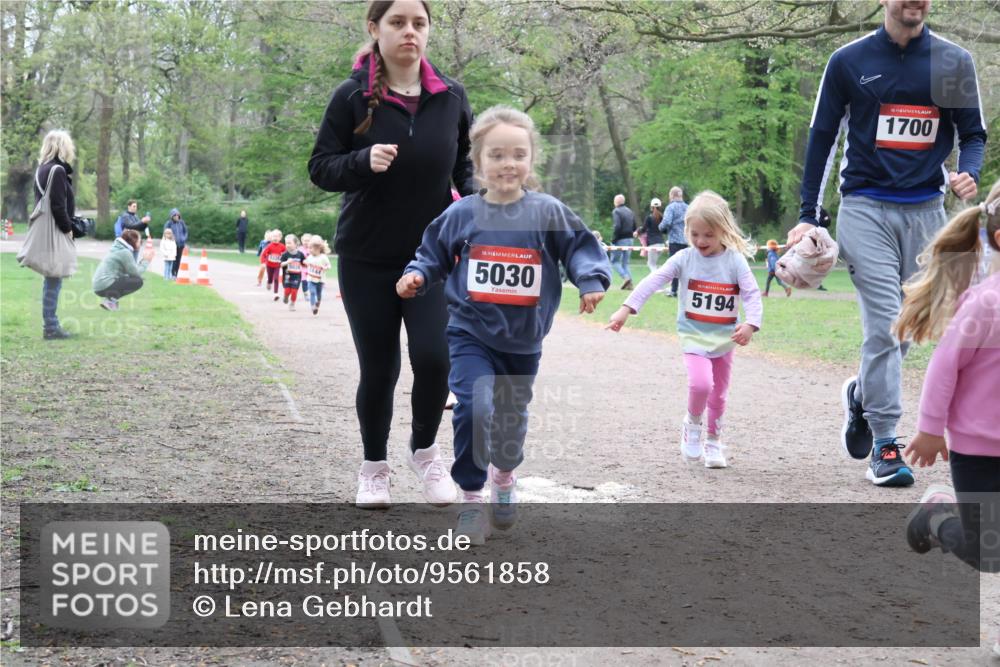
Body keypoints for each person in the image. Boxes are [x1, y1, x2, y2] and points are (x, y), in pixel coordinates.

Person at [790, 0, 987, 487]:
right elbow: (822, 136)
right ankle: (885, 441)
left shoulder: (950, 62)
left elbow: (973, 134)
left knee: (910, 327)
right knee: (884, 323)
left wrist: (970, 173)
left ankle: (861, 395)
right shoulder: (850, 61)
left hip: (926, 212)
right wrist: (807, 215)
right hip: (864, 206)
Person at [397, 105, 611, 543]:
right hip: (470, 331)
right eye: (496, 155)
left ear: (531, 159)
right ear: (478, 162)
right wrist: (418, 274)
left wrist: (589, 279)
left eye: (518, 154)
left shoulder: (548, 212)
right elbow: (433, 251)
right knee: (474, 409)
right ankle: (473, 497)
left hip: (524, 340)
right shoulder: (463, 214)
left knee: (510, 421)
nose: (508, 163)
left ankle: (505, 478)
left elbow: (580, 247)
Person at [308, 0, 476, 508]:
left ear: (428, 32)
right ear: (374, 29)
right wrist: (362, 160)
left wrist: (474, 206)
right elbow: (320, 167)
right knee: (379, 369)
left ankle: (424, 452)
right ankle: (373, 469)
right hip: (367, 256)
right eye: (398, 22)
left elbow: (464, 163)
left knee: (434, 358)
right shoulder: (351, 97)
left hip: (432, 258)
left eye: (419, 23)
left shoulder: (451, 97)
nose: (409, 31)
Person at [899, 184, 999, 655]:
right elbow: (944, 366)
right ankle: (936, 518)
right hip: (979, 450)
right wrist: (929, 428)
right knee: (990, 551)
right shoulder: (986, 304)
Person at [608, 191, 762, 469]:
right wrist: (626, 308)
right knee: (701, 384)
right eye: (695, 234)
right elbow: (654, 280)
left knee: (719, 395)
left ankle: (714, 442)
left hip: (724, 340)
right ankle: (692, 424)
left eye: (708, 235)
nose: (701, 241)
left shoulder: (735, 261)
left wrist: (751, 323)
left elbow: (751, 294)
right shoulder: (684, 258)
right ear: (686, 231)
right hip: (693, 336)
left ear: (723, 231)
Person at [31, 130, 78, 340]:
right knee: (54, 279)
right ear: (62, 146)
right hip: (56, 231)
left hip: (46, 230)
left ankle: (50, 324)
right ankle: (51, 326)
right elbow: (58, 206)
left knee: (51, 279)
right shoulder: (57, 170)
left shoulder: (42, 169)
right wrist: (68, 229)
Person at [93, 229, 155, 311]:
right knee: (138, 281)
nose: (140, 244)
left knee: (135, 279)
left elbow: (129, 271)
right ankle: (110, 301)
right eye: (140, 241)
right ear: (133, 241)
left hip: (98, 287)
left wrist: (143, 261)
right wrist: (146, 261)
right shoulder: (125, 252)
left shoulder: (118, 248)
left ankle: (110, 301)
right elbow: (135, 273)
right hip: (104, 285)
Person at [659, 186, 689, 297]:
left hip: (675, 241)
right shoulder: (688, 207)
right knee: (685, 267)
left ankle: (674, 290)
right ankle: (685, 290)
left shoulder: (671, 207)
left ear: (671, 195)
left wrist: (660, 228)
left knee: (675, 266)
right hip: (687, 240)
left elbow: (666, 222)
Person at [610, 194, 636, 289]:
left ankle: (625, 278)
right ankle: (630, 284)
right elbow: (634, 227)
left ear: (616, 202)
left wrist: (614, 239)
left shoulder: (616, 211)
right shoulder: (630, 211)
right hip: (630, 239)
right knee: (625, 263)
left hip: (621, 239)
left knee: (614, 261)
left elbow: (617, 226)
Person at [304, 236, 332, 315]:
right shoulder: (309, 257)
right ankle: (313, 307)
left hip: (320, 280)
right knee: (312, 292)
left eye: (311, 248)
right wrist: (306, 262)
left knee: (319, 294)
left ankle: (318, 302)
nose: (309, 250)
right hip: (310, 278)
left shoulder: (323, 257)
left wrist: (325, 268)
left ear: (318, 249)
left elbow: (329, 266)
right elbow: (306, 262)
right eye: (309, 248)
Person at [279, 234, 306, 311]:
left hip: (296, 276)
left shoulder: (300, 254)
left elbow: (303, 263)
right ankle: (286, 296)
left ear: (296, 244)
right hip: (287, 276)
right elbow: (280, 265)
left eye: (289, 243)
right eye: (286, 243)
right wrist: (287, 262)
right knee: (287, 291)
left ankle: (292, 304)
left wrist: (307, 262)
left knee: (294, 291)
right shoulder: (285, 254)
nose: (287, 245)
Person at [638, 197, 665, 272]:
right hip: (662, 245)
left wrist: (637, 232)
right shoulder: (663, 218)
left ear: (651, 207)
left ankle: (657, 280)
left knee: (651, 264)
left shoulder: (649, 218)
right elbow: (665, 230)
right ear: (660, 207)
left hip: (653, 245)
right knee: (653, 264)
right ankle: (660, 275)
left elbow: (643, 229)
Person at [163, 208, 189, 279]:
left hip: (181, 244)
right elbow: (165, 233)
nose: (176, 217)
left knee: (179, 259)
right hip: (172, 245)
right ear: (172, 216)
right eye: (175, 215)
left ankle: (178, 273)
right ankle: (172, 274)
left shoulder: (181, 222)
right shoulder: (169, 223)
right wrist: (171, 238)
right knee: (173, 260)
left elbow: (185, 231)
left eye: (177, 215)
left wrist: (184, 238)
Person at [261, 229, 285, 300]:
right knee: (270, 278)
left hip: (277, 266)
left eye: (277, 236)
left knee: (276, 279)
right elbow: (263, 255)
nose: (275, 238)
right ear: (271, 238)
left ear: (280, 238)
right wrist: (263, 262)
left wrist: (285, 261)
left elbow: (286, 254)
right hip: (269, 265)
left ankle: (276, 294)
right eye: (274, 236)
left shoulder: (282, 246)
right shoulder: (269, 246)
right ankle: (269, 282)